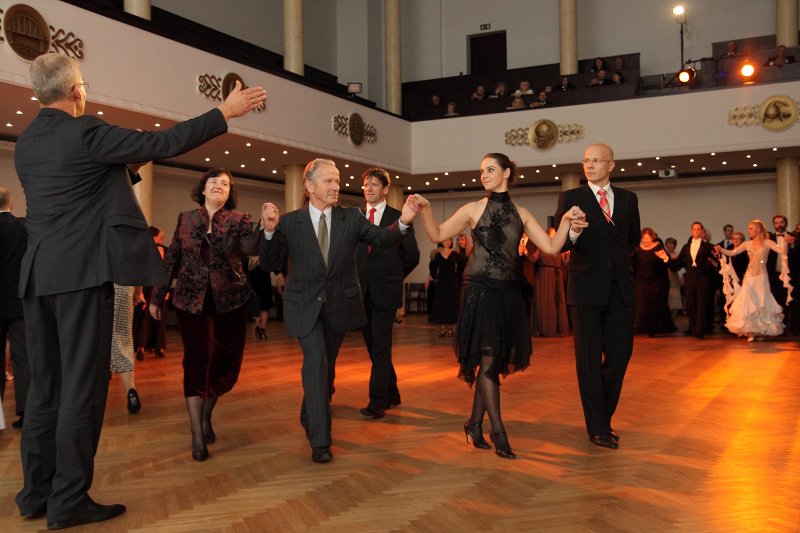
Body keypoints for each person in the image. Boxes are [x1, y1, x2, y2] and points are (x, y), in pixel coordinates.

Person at [14, 53, 265, 528]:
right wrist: (224, 114)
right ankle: (69, 499)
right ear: (75, 91)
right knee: (82, 392)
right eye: (84, 84)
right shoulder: (85, 131)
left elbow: (77, 188)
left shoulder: (28, 141)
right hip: (81, 275)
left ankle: (35, 494)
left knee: (44, 388)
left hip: (38, 276)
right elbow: (161, 141)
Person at [413, 153, 586, 459]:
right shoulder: (473, 209)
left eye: (490, 169)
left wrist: (568, 225)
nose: (483, 174)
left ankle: (473, 423)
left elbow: (551, 247)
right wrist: (425, 209)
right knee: (490, 362)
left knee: (490, 362)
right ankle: (499, 432)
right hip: (479, 291)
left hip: (508, 294)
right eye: (481, 170)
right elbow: (437, 234)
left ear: (507, 173)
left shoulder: (522, 213)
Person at [259, 159, 419, 464]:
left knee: (326, 367)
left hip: (339, 306)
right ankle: (320, 441)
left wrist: (404, 221)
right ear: (309, 186)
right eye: (329, 181)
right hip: (304, 305)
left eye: (338, 180)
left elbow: (383, 239)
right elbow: (270, 263)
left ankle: (309, 412)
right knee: (316, 362)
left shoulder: (352, 217)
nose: (337, 187)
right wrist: (267, 233)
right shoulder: (290, 223)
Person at [151, 169, 266, 462]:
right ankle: (196, 431)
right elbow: (172, 259)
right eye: (213, 182)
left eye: (225, 183)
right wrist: (157, 296)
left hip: (230, 301)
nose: (218, 186)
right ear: (203, 189)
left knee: (225, 363)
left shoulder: (239, 219)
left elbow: (251, 248)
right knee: (197, 360)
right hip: (191, 301)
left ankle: (206, 415)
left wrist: (264, 226)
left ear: (229, 192)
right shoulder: (186, 219)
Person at [555, 143, 641, 450]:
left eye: (596, 160)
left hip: (620, 289)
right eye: (585, 160)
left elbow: (632, 238)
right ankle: (598, 426)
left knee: (619, 357)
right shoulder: (571, 198)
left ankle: (602, 415)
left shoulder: (629, 200)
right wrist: (575, 233)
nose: (589, 165)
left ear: (611, 165)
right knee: (588, 361)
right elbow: (561, 243)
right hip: (585, 289)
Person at [356, 168, 420, 419]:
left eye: (374, 185)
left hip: (386, 292)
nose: (369, 188)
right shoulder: (358, 219)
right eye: (365, 185)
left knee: (381, 347)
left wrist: (393, 275)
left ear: (385, 190)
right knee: (374, 348)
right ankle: (392, 392)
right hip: (362, 293)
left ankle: (377, 402)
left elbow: (412, 256)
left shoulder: (398, 216)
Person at [716, 220, 791, 341]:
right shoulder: (747, 244)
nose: (749, 230)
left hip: (761, 276)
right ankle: (751, 331)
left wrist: (786, 242)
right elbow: (732, 252)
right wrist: (720, 249)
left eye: (751, 228)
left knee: (761, 302)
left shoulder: (767, 243)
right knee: (748, 302)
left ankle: (761, 330)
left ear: (758, 229)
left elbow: (782, 251)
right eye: (749, 228)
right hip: (749, 276)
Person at [0, 187, 30, 430]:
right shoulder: (23, 227)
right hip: (20, 302)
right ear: (10, 204)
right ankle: (26, 412)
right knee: (23, 360)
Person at [667, 222, 718, 339]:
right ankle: (694, 329)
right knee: (690, 305)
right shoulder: (686, 247)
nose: (696, 231)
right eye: (694, 229)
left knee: (701, 305)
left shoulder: (707, 246)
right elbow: (677, 263)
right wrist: (665, 258)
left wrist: (719, 258)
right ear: (691, 231)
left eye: (698, 229)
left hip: (702, 279)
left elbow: (717, 259)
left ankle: (700, 331)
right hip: (690, 279)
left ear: (702, 231)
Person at [631, 228, 671, 337]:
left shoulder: (658, 247)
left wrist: (664, 258)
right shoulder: (637, 249)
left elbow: (667, 262)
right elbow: (631, 263)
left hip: (655, 283)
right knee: (641, 306)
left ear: (652, 238)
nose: (645, 241)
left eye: (647, 239)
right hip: (641, 282)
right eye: (643, 238)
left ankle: (652, 329)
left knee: (653, 306)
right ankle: (641, 328)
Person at [135, 226, 167, 359]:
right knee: (146, 317)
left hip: (155, 286)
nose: (161, 238)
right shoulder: (145, 250)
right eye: (159, 236)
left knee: (155, 317)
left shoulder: (161, 249)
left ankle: (155, 347)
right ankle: (143, 347)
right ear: (154, 237)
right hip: (150, 287)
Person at [110, 285, 143, 414]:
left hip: (98, 287)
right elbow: (138, 266)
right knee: (124, 339)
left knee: (98, 341)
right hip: (124, 288)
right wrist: (137, 292)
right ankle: (131, 389)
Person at [532, 227, 569, 337]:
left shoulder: (560, 247)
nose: (555, 235)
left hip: (556, 275)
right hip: (544, 275)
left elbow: (565, 263)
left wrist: (567, 256)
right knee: (545, 301)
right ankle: (545, 329)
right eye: (552, 233)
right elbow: (533, 259)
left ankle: (557, 329)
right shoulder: (542, 246)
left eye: (555, 233)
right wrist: (523, 250)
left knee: (557, 302)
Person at [429, 238, 465, 337]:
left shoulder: (455, 254)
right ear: (441, 242)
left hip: (453, 283)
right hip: (441, 283)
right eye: (445, 240)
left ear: (451, 242)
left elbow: (464, 265)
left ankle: (450, 328)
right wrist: (435, 278)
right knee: (442, 304)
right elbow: (433, 268)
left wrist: (458, 276)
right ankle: (443, 328)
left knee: (452, 305)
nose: (447, 242)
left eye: (449, 240)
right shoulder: (437, 255)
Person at [767, 214, 795, 329]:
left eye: (781, 222)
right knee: (776, 301)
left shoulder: (793, 237)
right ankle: (778, 326)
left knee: (791, 301)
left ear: (786, 223)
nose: (779, 225)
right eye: (776, 223)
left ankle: (792, 325)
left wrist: (792, 244)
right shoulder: (769, 239)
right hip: (774, 274)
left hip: (790, 274)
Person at [247, 255, 274, 340]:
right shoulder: (266, 260)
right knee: (265, 309)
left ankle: (258, 326)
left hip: (254, 288)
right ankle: (262, 329)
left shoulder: (250, 261)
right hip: (265, 288)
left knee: (257, 309)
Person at [664, 237, 684, 323]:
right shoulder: (663, 254)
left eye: (672, 243)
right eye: (668, 243)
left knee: (675, 302)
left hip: (674, 279)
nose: (670, 245)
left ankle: (674, 322)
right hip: (665, 278)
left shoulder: (677, 255)